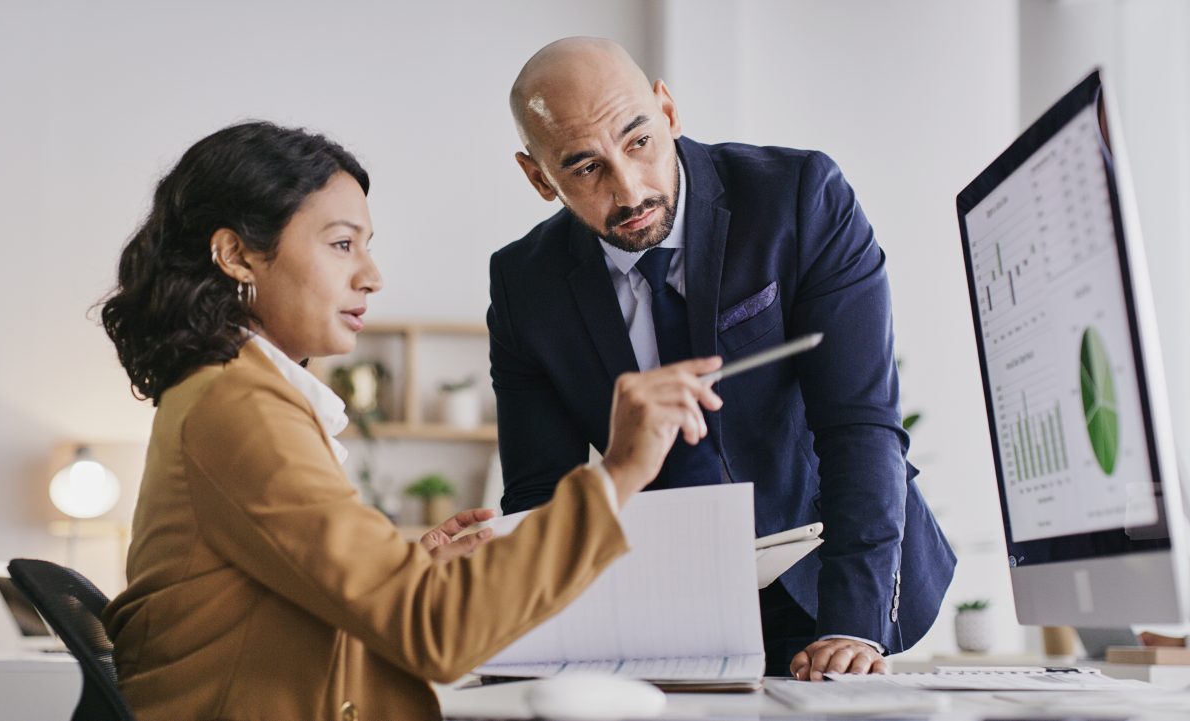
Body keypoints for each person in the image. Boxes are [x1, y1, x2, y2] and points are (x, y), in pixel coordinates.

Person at [98, 121, 724, 720]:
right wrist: (618, 473)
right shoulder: (241, 407)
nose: (372, 277)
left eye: (366, 248)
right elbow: (436, 634)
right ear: (236, 254)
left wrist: (410, 570)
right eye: (342, 244)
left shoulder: (227, 393)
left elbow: (276, 604)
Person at [488, 37, 956, 679]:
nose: (629, 190)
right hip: (667, 615)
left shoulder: (801, 197)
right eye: (585, 167)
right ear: (539, 177)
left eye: (639, 141)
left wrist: (853, 628)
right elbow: (540, 493)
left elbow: (859, 423)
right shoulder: (524, 285)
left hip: (837, 582)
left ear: (668, 111)